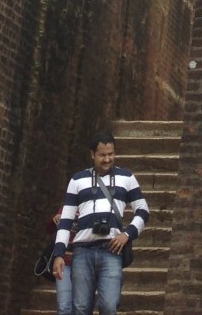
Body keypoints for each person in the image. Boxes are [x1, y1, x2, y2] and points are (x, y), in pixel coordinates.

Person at [52, 129, 149, 315]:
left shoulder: (127, 177)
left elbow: (143, 209)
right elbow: (66, 220)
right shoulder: (77, 180)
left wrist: (127, 234)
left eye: (111, 154)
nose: (107, 159)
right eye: (102, 155)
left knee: (109, 306)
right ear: (92, 154)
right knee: (80, 308)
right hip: (82, 250)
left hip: (111, 250)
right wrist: (59, 254)